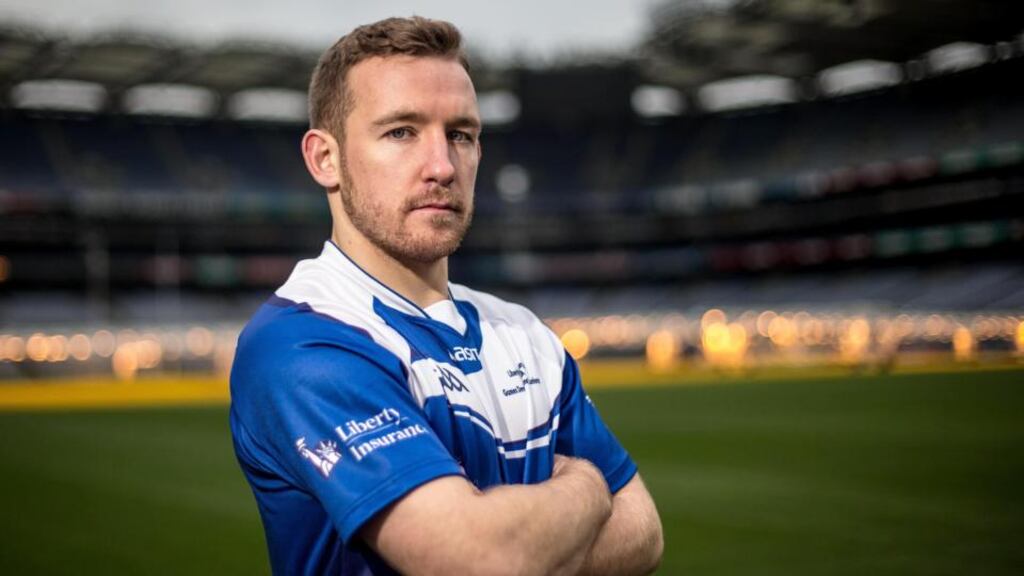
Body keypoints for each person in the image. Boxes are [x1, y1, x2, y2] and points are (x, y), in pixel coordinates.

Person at [229, 16, 663, 576]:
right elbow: (479, 560)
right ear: (324, 159)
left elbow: (645, 531)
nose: (442, 167)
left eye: (460, 135)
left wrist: (529, 543)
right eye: (401, 132)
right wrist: (585, 486)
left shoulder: (524, 333)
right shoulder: (302, 342)